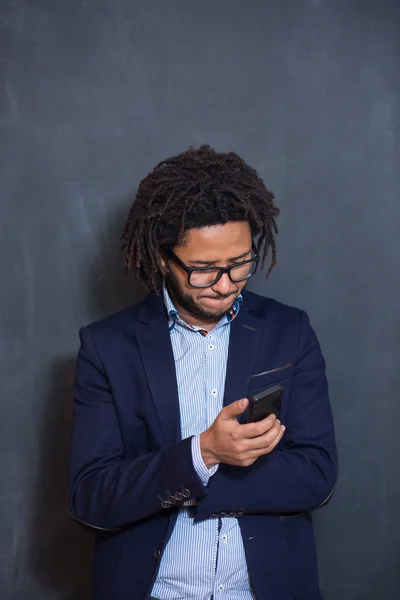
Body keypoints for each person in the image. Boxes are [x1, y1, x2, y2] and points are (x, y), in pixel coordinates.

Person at [69, 145, 338, 600]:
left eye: (239, 264)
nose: (226, 284)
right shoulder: (106, 347)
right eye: (203, 270)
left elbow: (317, 473)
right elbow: (92, 496)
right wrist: (204, 454)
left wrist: (196, 484)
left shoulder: (289, 331)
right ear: (162, 259)